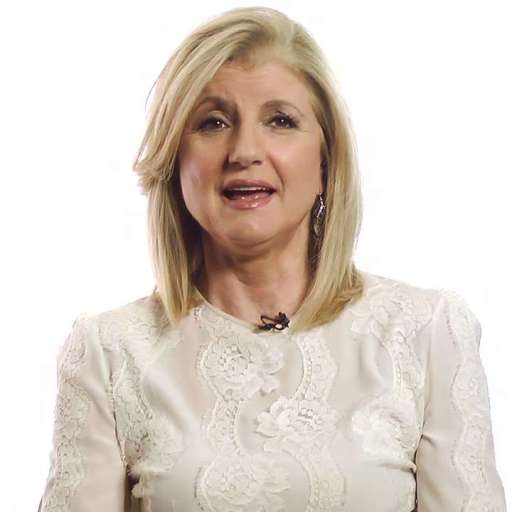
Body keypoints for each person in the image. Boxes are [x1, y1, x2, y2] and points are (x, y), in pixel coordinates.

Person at [38, 6, 507, 512]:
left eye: (280, 121)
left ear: (326, 162)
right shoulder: (108, 353)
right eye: (213, 122)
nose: (244, 150)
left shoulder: (425, 334)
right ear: (175, 161)